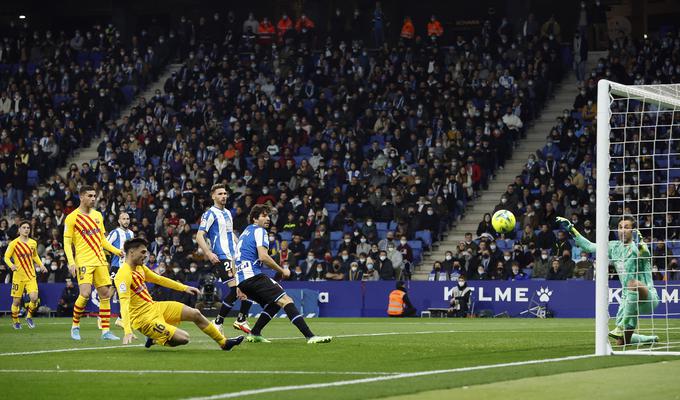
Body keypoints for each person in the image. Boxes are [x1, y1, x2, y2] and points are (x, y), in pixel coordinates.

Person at [115, 238, 244, 350]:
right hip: (143, 319)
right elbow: (124, 303)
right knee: (184, 338)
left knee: (195, 313)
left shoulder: (139, 268)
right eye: (143, 252)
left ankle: (223, 342)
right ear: (131, 252)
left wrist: (184, 288)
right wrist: (127, 330)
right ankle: (155, 339)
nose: (146, 255)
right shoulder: (123, 274)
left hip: (154, 307)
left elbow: (159, 279)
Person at [235, 204, 331, 344]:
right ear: (255, 218)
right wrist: (282, 270)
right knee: (286, 300)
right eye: (264, 215)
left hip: (243, 279)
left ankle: (255, 333)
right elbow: (263, 257)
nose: (268, 218)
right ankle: (310, 336)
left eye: (268, 215)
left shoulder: (245, 232)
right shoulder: (260, 231)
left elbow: (235, 258)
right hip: (253, 275)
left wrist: (239, 284)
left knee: (275, 304)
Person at [557, 216, 659, 346]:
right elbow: (589, 247)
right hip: (628, 300)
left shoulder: (638, 247)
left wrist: (640, 244)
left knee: (633, 283)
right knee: (622, 342)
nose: (622, 230)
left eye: (626, 227)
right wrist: (571, 229)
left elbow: (644, 254)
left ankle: (621, 326)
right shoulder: (613, 247)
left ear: (633, 230)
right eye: (620, 227)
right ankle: (649, 339)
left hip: (647, 297)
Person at [64, 185, 122, 340]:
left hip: (100, 261)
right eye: (90, 196)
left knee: (105, 295)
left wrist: (117, 251)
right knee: (85, 294)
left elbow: (102, 240)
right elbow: (67, 242)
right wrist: (71, 262)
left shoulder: (97, 215)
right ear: (81, 197)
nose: (93, 199)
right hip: (83, 261)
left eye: (94, 196)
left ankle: (105, 331)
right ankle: (75, 327)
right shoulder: (72, 217)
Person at [196, 184, 252, 335]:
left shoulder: (228, 212)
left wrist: (241, 247)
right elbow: (199, 235)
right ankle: (221, 321)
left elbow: (230, 234)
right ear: (213, 196)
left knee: (247, 287)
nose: (224, 196)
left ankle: (238, 320)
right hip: (222, 256)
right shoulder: (209, 214)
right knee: (236, 288)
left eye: (225, 193)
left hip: (235, 256)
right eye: (220, 194)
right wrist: (208, 253)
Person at [4, 220, 47, 329]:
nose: (26, 229)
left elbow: (35, 256)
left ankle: (28, 317)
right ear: (19, 230)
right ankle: (16, 321)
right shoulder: (13, 243)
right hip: (18, 276)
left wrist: (41, 265)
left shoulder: (33, 242)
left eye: (28, 227)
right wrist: (11, 265)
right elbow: (6, 257)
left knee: (34, 297)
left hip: (30, 275)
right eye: (24, 227)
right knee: (16, 301)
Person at [106, 212, 133, 328]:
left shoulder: (131, 233)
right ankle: (102, 316)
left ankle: (121, 319)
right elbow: (105, 245)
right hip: (116, 266)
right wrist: (117, 251)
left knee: (128, 293)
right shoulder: (115, 232)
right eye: (123, 219)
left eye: (127, 219)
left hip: (127, 267)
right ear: (119, 221)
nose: (126, 221)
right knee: (112, 290)